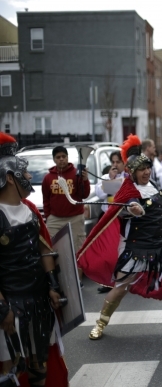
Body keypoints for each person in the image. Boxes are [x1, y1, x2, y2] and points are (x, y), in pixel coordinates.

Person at [76, 134, 162, 340]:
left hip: (161, 246)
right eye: (142, 169)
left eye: (148, 168)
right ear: (132, 172)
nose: (147, 172)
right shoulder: (127, 191)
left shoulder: (153, 185)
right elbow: (127, 209)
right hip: (138, 249)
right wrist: (134, 210)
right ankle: (100, 324)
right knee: (121, 287)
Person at [0, 133, 68, 386]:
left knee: (39, 363)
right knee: (10, 368)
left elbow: (44, 250)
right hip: (10, 302)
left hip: (38, 298)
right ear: (9, 177)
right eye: (23, 173)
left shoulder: (29, 210)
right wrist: (2, 307)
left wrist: (53, 285)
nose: (29, 177)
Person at [42, 145, 90, 286]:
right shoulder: (48, 178)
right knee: (51, 249)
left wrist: (85, 180)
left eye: (64, 156)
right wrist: (49, 216)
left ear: (68, 157)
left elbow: (84, 195)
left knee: (78, 249)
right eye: (58, 157)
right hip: (55, 219)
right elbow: (46, 199)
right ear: (54, 159)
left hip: (75, 217)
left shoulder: (76, 173)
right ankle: (56, 280)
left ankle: (78, 280)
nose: (61, 159)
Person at [94, 151, 126, 293]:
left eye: (118, 162)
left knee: (122, 249)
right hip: (108, 219)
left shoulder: (128, 178)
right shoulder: (106, 177)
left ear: (123, 163)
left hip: (123, 218)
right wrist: (111, 180)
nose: (115, 165)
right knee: (108, 251)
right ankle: (108, 282)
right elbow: (99, 193)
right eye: (112, 162)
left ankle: (123, 279)